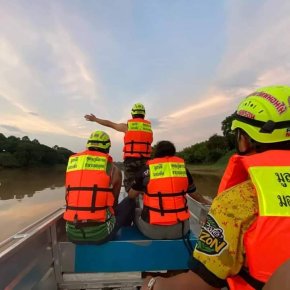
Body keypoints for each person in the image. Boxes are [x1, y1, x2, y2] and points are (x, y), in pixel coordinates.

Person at [140, 85, 290, 290]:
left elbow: (202, 284)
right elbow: (192, 192)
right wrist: (205, 201)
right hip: (181, 226)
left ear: (244, 140)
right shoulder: (181, 167)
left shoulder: (236, 201)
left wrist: (152, 284)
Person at [63, 130, 135, 244]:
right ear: (107, 148)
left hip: (72, 233)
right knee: (130, 201)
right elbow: (114, 203)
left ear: (88, 145)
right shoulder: (114, 169)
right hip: (100, 235)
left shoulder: (72, 164)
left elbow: (68, 195)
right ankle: (124, 232)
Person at [128, 140, 209, 240]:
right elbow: (194, 194)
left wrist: (144, 190)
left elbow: (131, 195)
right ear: (173, 153)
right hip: (181, 230)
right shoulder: (182, 169)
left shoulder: (146, 170)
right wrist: (207, 202)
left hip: (152, 232)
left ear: (156, 153)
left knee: (136, 211)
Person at [84, 103, 153, 193]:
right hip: (145, 161)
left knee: (130, 187)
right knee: (145, 185)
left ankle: (131, 199)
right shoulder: (149, 129)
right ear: (144, 114)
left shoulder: (127, 127)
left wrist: (95, 119)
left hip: (131, 161)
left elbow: (110, 124)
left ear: (132, 114)